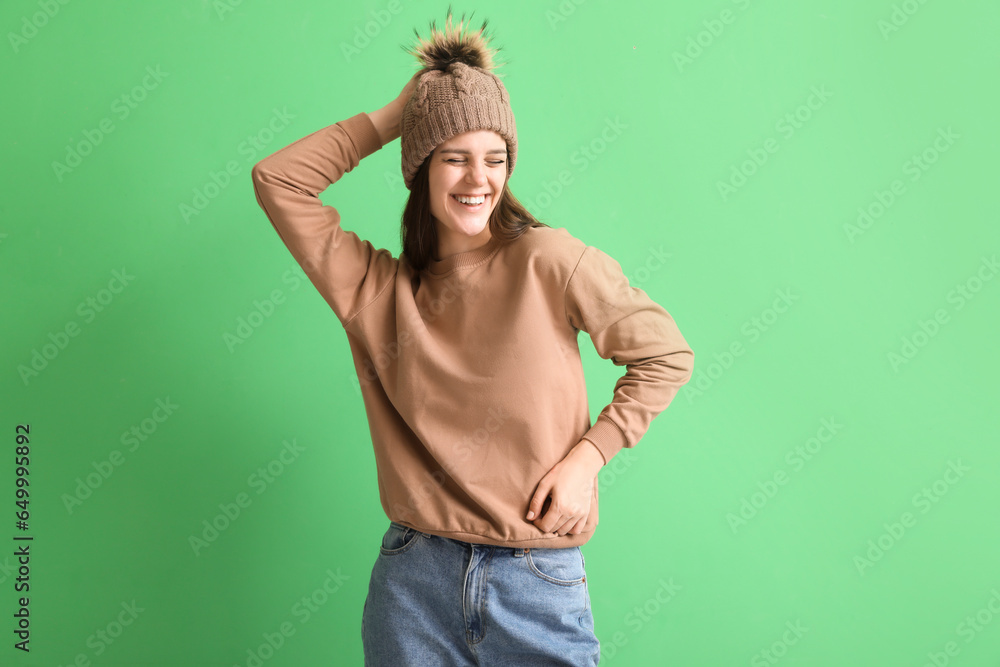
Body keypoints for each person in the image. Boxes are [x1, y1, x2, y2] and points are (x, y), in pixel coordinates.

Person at [250, 9, 695, 666]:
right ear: (422, 168)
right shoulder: (376, 291)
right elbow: (277, 180)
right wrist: (395, 117)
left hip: (535, 578)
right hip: (413, 581)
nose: (477, 178)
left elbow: (664, 355)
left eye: (495, 158)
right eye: (454, 157)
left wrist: (589, 457)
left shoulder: (548, 260)